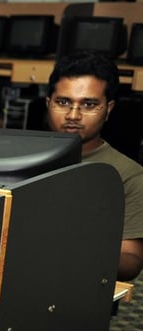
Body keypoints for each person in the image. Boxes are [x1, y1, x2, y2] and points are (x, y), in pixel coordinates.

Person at [47, 51, 143, 281]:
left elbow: (131, 260)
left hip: (79, 288)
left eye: (88, 104)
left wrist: (76, 250)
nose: (73, 115)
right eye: (63, 102)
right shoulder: (18, 158)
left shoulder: (128, 174)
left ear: (108, 109)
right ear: (48, 103)